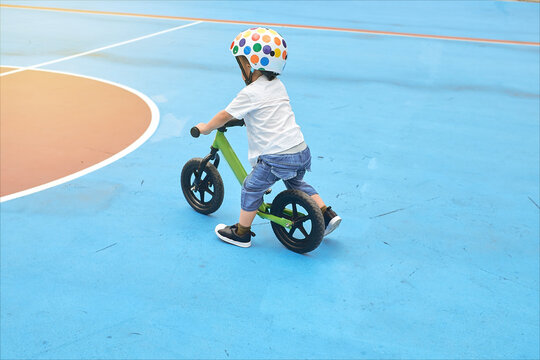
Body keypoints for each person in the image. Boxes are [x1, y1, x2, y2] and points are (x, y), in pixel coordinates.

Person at [194, 27, 341, 248]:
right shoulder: (278, 85)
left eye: (242, 63)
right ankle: (326, 214)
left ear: (250, 65)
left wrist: (206, 127)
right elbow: (269, 112)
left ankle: (242, 233)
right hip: (300, 150)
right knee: (296, 182)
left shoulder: (250, 93)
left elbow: (225, 115)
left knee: (251, 187)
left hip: (277, 157)